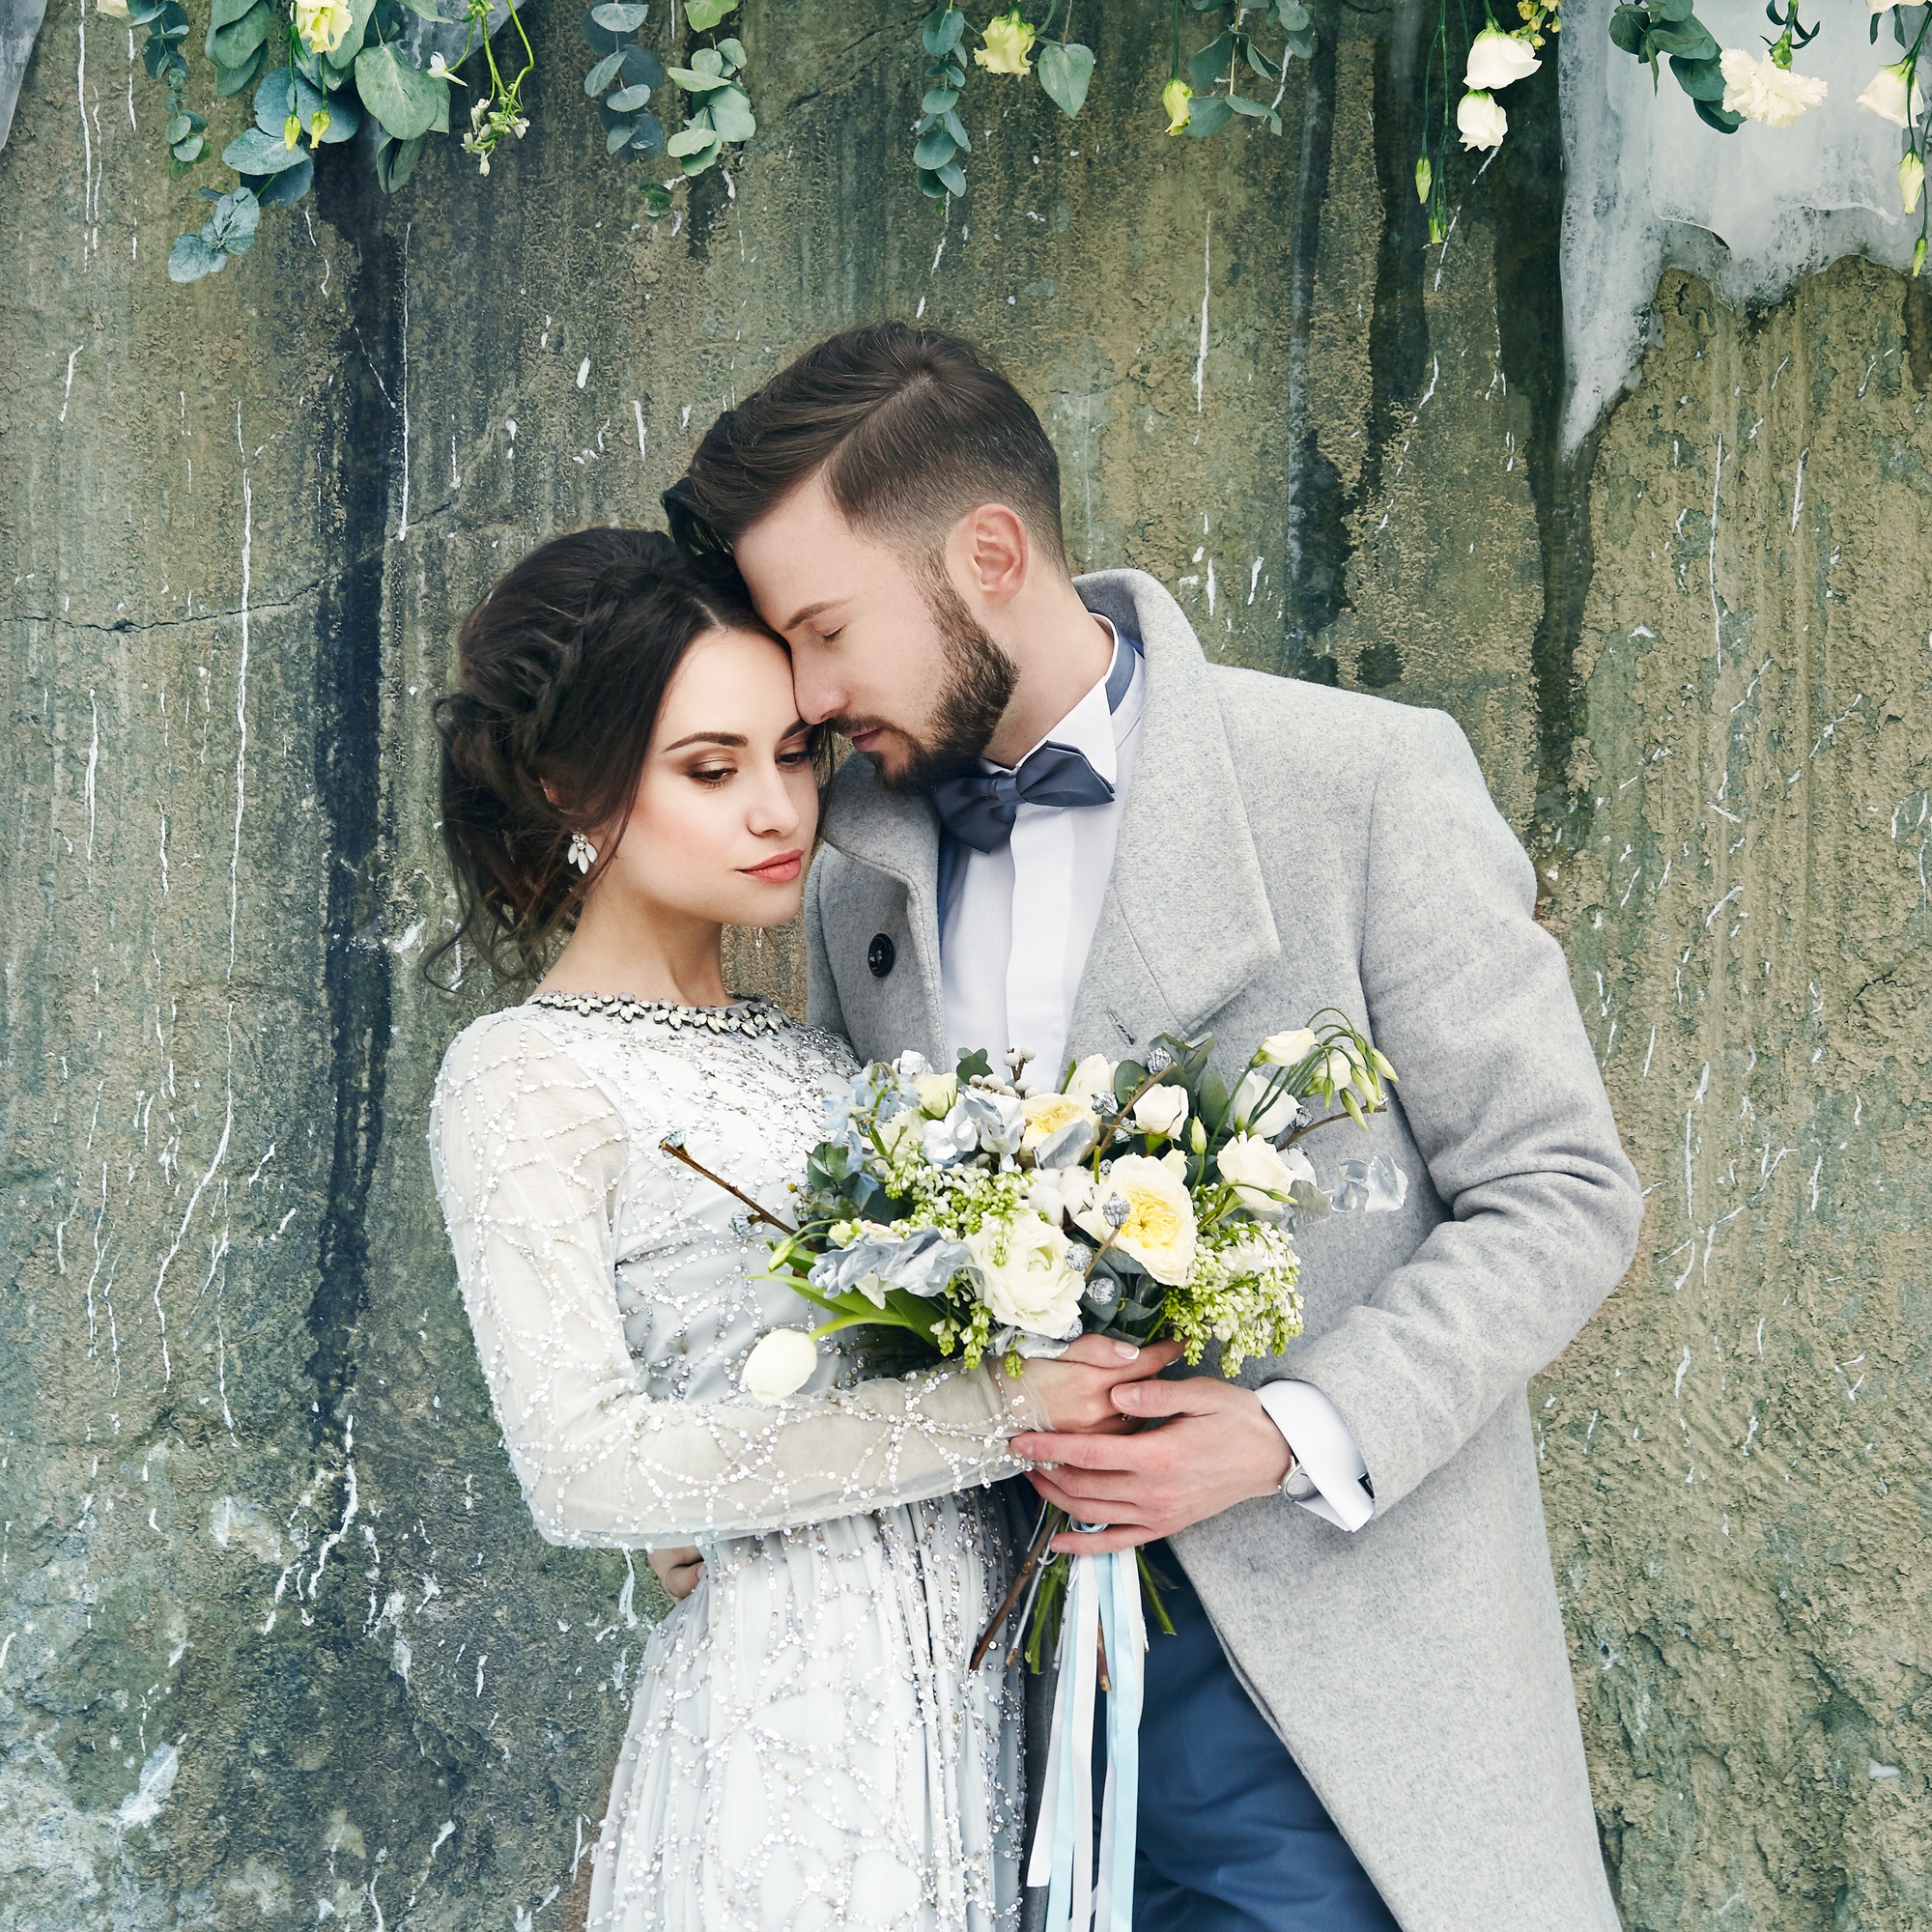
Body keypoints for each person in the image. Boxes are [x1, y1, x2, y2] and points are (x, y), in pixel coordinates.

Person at [665, 325, 1646, 1932]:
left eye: (827, 630)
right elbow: (849, 1268)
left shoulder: (1358, 782)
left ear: (990, 556)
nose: (812, 696)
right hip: (996, 1712)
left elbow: (1562, 1191)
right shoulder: (854, 880)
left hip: (1337, 1699)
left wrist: (1290, 1431)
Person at [425, 526, 1181, 1932]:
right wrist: (996, 1414)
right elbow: (583, 1469)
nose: (778, 809)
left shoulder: (818, 1050)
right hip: (783, 1718)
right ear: (571, 790)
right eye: (710, 770)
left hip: (961, 1712)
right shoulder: (523, 1076)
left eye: (791, 754)